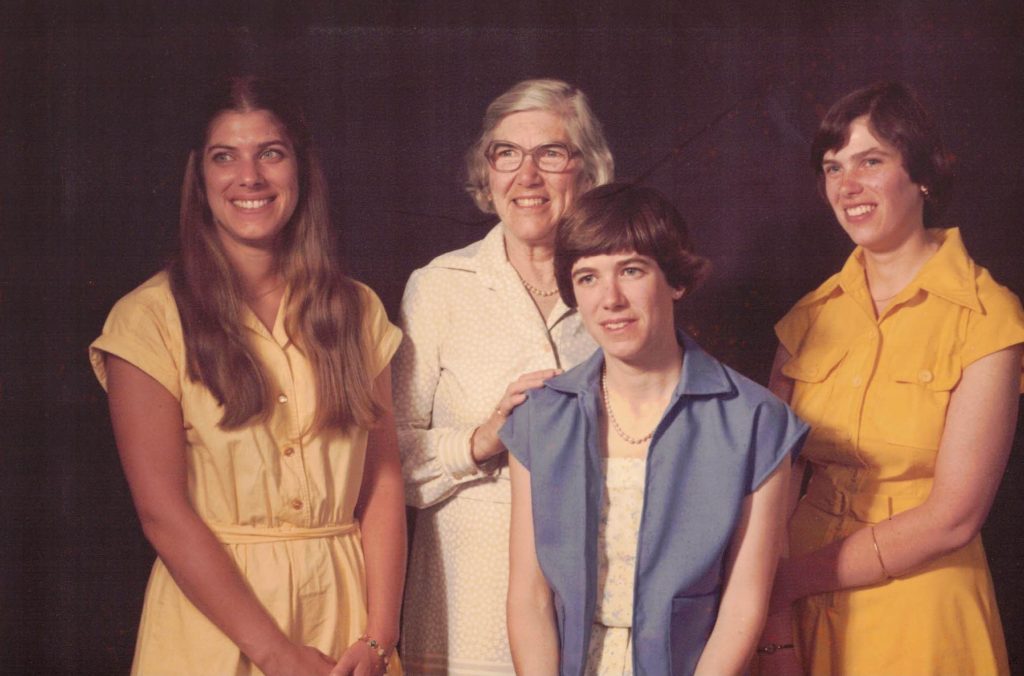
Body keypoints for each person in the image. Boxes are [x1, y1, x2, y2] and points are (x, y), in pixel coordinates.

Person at [89, 75, 406, 676]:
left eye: (271, 153)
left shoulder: (356, 309)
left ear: (300, 171)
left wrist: (378, 637)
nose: (250, 177)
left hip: (349, 628)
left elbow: (383, 482)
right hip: (215, 627)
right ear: (200, 177)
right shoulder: (147, 319)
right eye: (225, 156)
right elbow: (162, 512)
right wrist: (275, 653)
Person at [757, 82, 1024, 675]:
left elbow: (954, 515)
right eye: (833, 167)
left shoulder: (989, 318)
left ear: (923, 174)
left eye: (870, 161)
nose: (846, 185)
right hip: (794, 615)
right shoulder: (807, 319)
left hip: (922, 613)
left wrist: (784, 584)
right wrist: (774, 629)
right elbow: (770, 488)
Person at [502, 182, 808, 675]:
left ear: (675, 280)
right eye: (587, 278)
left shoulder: (756, 421)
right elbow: (529, 598)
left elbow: (743, 605)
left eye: (631, 270)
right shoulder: (540, 419)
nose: (610, 299)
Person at [394, 78, 614, 674]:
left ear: (588, 172)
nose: (527, 175)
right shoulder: (439, 286)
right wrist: (479, 440)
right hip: (467, 616)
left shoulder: (616, 288)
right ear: (486, 175)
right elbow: (383, 460)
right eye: (506, 154)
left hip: (598, 605)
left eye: (551, 153)